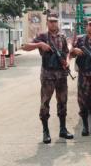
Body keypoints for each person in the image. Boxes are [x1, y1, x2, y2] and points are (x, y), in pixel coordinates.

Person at [22, 13, 74, 144]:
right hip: (48, 76)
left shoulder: (62, 37)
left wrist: (67, 61)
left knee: (63, 102)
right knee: (45, 103)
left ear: (58, 23)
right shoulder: (43, 37)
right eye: (51, 21)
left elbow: (67, 52)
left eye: (55, 21)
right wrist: (39, 44)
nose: (53, 24)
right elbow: (25, 46)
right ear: (47, 23)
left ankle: (63, 129)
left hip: (61, 75)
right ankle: (45, 131)